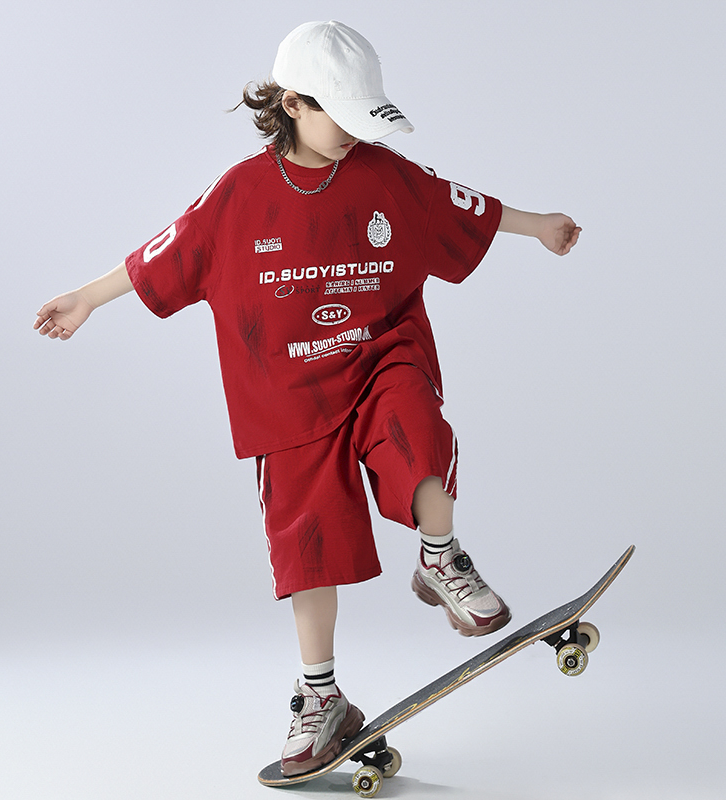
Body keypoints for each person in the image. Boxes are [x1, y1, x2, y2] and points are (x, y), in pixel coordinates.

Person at [34, 20, 580, 777]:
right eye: (341, 117)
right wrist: (88, 298)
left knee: (417, 428)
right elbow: (165, 252)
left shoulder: (386, 175)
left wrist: (537, 224)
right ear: (292, 103)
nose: (355, 135)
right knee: (308, 547)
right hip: (285, 398)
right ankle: (321, 698)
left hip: (381, 355)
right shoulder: (237, 194)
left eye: (365, 118)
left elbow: (463, 206)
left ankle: (440, 557)